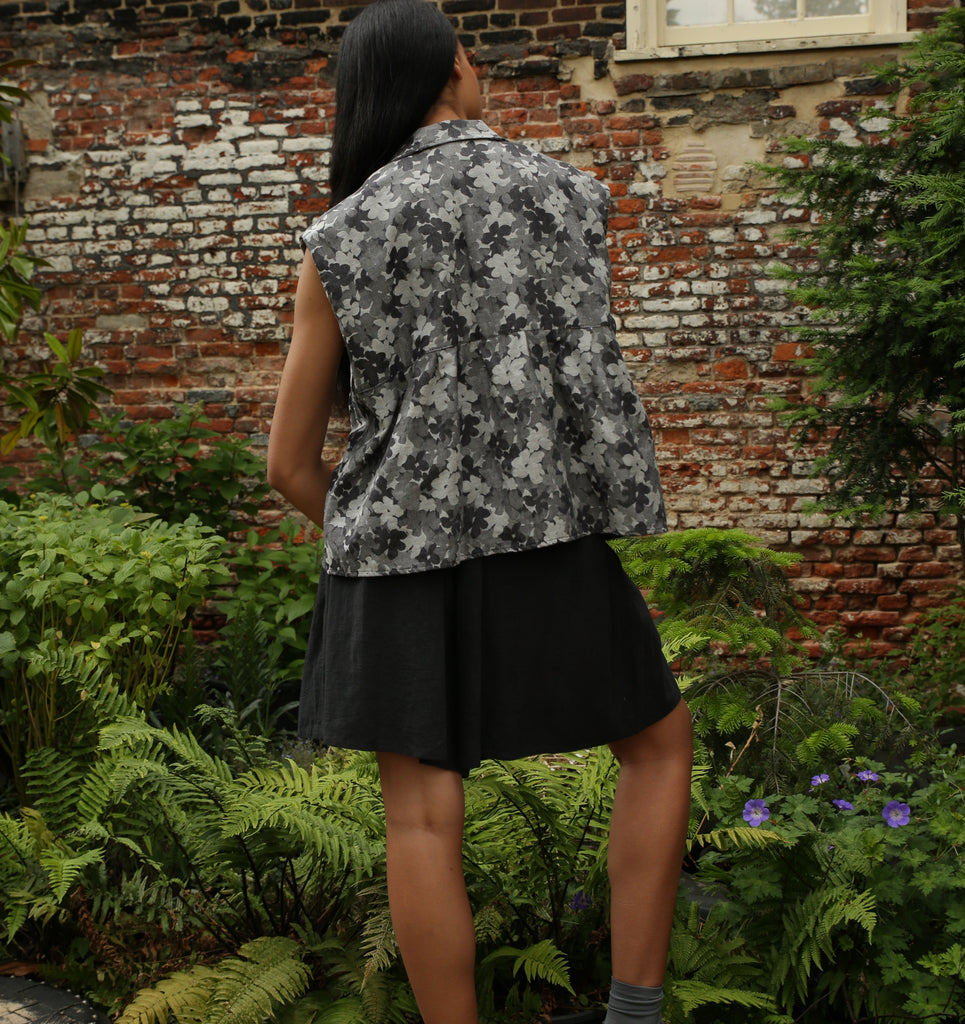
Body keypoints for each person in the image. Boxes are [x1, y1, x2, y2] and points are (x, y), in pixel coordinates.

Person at [266, 2, 693, 1022]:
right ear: (451, 69)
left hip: (394, 565)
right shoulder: (568, 196)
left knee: (420, 819)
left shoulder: (341, 235)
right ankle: (633, 1012)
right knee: (658, 745)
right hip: (549, 536)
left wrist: (374, 532)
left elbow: (288, 466)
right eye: (469, 49)